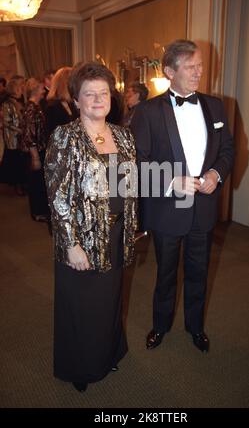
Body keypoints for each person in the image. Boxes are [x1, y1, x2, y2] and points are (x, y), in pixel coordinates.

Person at [131, 39, 234, 353]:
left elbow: (228, 150)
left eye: (200, 65)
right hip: (166, 209)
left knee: (199, 271)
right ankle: (160, 326)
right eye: (191, 67)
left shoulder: (216, 106)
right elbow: (136, 162)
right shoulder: (147, 112)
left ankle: (195, 327)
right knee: (165, 274)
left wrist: (216, 174)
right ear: (169, 72)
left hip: (202, 206)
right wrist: (170, 182)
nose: (198, 72)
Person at [44, 62, 137, 392]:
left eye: (103, 92)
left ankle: (108, 352)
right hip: (81, 239)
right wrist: (71, 243)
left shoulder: (124, 136)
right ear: (77, 100)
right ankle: (80, 367)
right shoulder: (65, 136)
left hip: (115, 233)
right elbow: (57, 196)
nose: (98, 99)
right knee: (81, 306)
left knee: (110, 300)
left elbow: (130, 185)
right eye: (89, 94)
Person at [21, 78, 49, 222]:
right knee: (36, 183)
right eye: (42, 88)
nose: (44, 91)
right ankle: (37, 212)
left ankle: (40, 210)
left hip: (40, 150)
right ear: (36, 90)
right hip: (35, 152)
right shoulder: (31, 109)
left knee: (39, 182)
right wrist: (35, 157)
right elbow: (29, 135)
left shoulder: (36, 106)